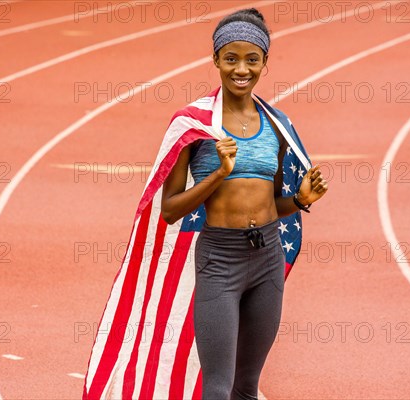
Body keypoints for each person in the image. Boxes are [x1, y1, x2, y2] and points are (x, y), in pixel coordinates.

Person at [160, 8, 329, 400]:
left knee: (247, 388)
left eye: (252, 59)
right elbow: (170, 210)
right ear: (216, 59)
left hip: (267, 256)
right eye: (231, 58)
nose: (241, 69)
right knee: (218, 389)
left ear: (265, 63)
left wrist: (299, 201)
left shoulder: (277, 125)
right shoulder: (194, 125)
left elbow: (273, 202)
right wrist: (218, 173)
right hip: (220, 261)